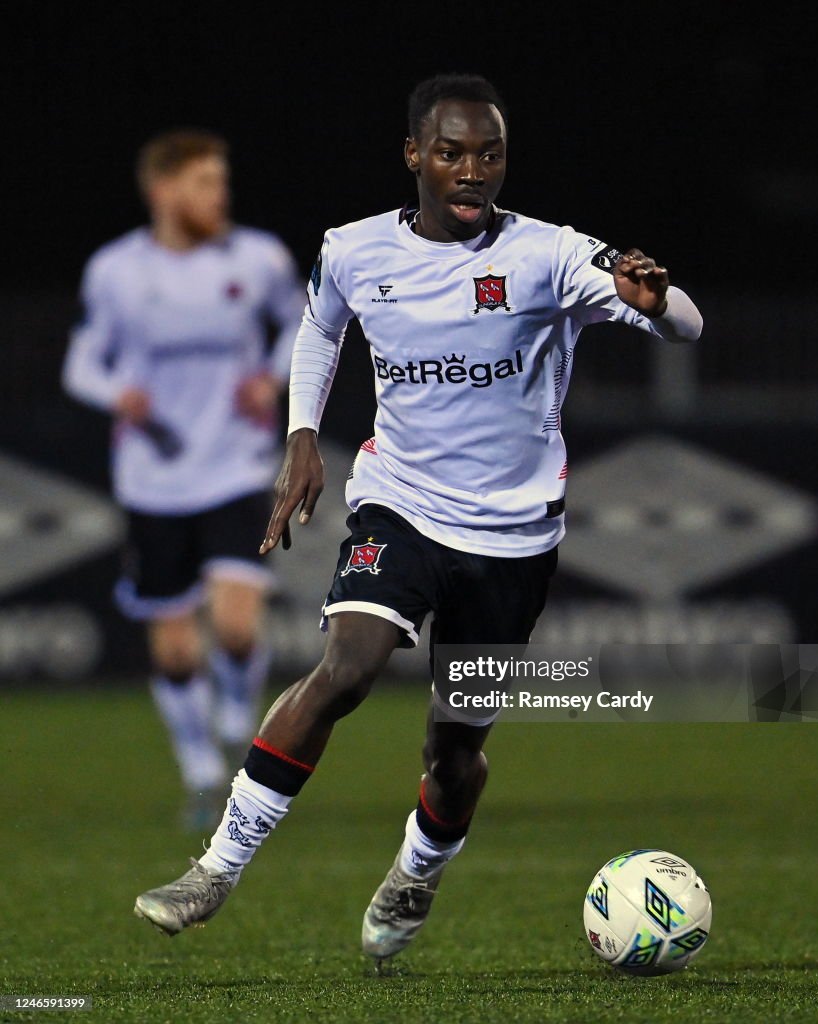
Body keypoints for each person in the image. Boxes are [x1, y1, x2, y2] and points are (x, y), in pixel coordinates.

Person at [133, 76, 703, 957]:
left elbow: (687, 327)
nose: (472, 171)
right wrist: (301, 435)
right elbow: (321, 330)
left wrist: (655, 301)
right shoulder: (356, 250)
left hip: (513, 537)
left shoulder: (551, 255)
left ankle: (419, 869)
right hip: (399, 501)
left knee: (453, 750)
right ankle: (216, 867)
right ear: (414, 156)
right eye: (451, 153)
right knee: (347, 667)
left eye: (490, 154)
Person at [63, 130, 304, 827]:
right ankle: (199, 765)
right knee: (173, 647)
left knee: (233, 625)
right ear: (162, 190)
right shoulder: (116, 270)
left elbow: (302, 323)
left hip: (235, 465)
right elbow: (82, 362)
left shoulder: (256, 258)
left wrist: (271, 375)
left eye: (221, 182)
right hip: (154, 476)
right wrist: (119, 395)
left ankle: (235, 716)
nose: (217, 196)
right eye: (203, 183)